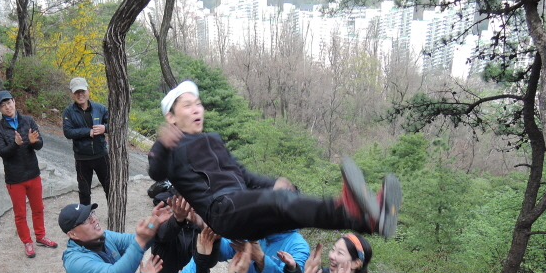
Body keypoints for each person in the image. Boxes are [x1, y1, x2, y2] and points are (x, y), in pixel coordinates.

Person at [148, 80, 401, 242]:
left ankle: (369, 221)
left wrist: (272, 184)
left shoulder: (213, 139)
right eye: (187, 106)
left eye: (198, 104)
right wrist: (164, 144)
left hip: (242, 206)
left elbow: (243, 175)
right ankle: (350, 207)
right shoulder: (169, 148)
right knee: (281, 201)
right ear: (171, 117)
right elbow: (156, 172)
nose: (196, 109)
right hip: (221, 210)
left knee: (293, 211)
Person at [0, 90, 57, 258]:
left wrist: (34, 142)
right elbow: (3, 152)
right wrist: (15, 144)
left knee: (38, 208)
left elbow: (39, 144)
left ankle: (41, 236)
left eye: (9, 102)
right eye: (3, 105)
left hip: (33, 173)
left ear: (14, 101)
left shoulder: (28, 120)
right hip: (15, 178)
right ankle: (27, 242)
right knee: (20, 214)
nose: (7, 107)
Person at [149, 182, 222, 273]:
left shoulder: (203, 226)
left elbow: (209, 262)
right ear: (175, 202)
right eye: (186, 201)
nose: (191, 206)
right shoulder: (161, 222)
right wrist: (178, 219)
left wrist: (208, 231)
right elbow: (164, 234)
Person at [63, 77, 110, 207]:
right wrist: (87, 131)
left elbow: (115, 124)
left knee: (109, 187)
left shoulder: (100, 108)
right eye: (77, 92)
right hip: (82, 158)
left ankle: (113, 214)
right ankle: (86, 216)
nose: (80, 95)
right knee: (84, 191)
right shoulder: (69, 111)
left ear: (88, 91)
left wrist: (105, 128)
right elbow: (68, 132)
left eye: (82, 91)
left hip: (101, 155)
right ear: (71, 93)